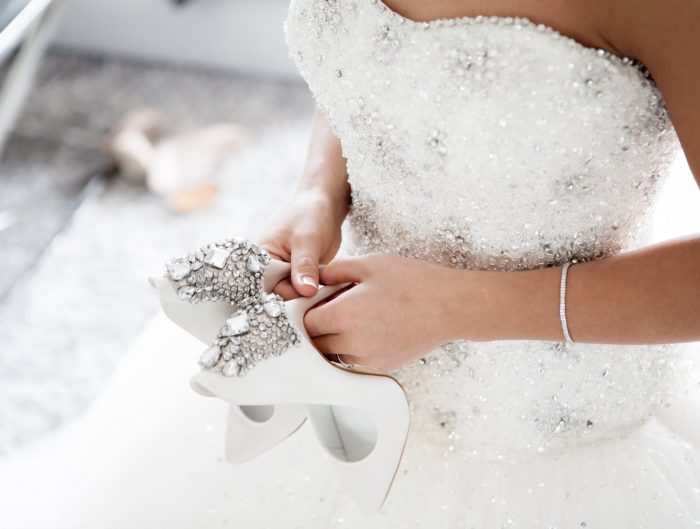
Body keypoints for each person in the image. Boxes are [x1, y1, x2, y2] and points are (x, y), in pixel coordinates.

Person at [2, 0, 700, 527]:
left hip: (542, 436)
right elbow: (374, 58)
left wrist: (457, 306)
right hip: (328, 360)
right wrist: (318, 191)